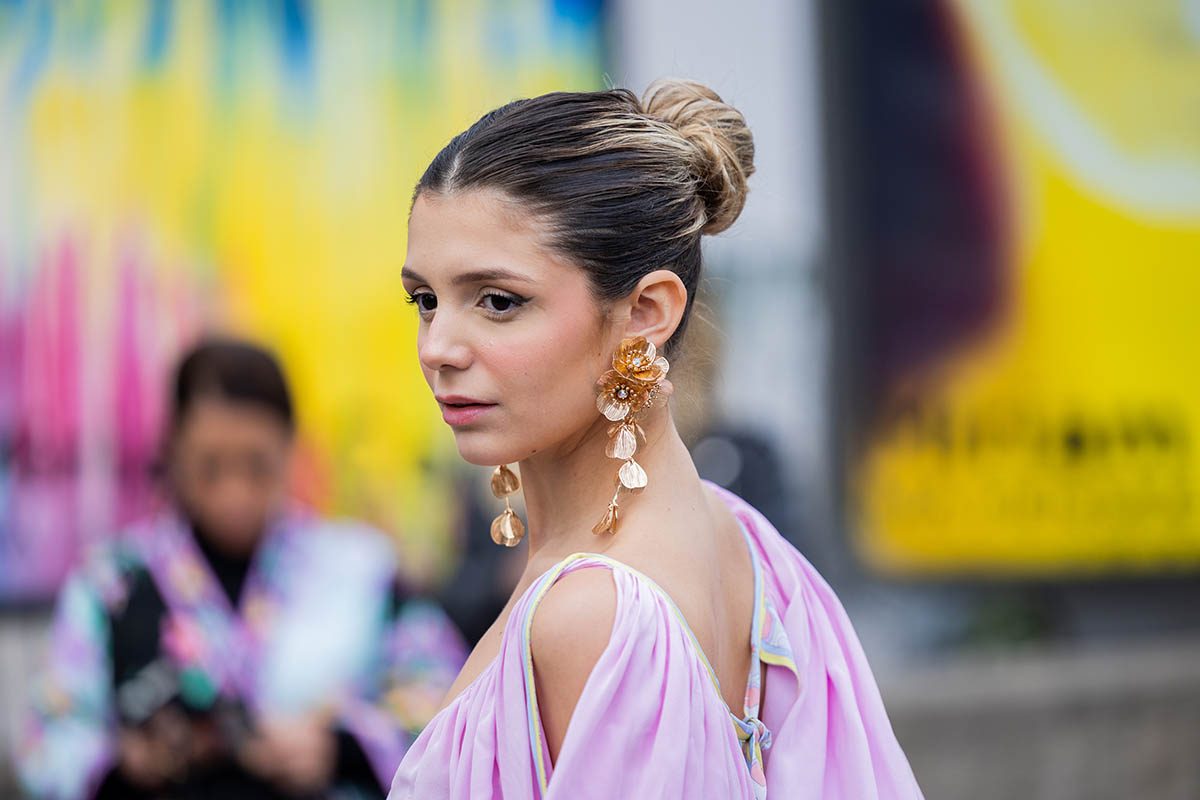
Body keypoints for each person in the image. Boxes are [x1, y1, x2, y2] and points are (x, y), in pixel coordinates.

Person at [388, 79, 923, 798]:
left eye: (498, 301)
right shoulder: (750, 546)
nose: (438, 347)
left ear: (646, 311)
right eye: (425, 300)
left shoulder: (595, 615)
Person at [16, 338, 467, 800]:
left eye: (258, 467)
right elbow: (48, 741)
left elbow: (449, 700)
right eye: (209, 467)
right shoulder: (111, 582)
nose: (234, 494)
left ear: (292, 452)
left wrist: (339, 746)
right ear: (172, 454)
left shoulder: (360, 569)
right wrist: (124, 763)